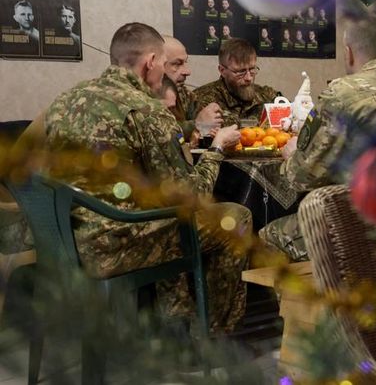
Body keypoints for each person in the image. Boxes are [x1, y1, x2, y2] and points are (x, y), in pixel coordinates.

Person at [42, 22, 251, 334]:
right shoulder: (147, 110)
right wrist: (218, 148)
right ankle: (211, 339)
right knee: (234, 217)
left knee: (165, 214)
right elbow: (191, 195)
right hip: (115, 247)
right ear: (150, 62)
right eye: (165, 64)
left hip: (63, 240)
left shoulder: (66, 99)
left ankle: (175, 327)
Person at [261, 20, 376, 260]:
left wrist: (292, 155)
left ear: (348, 53)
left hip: (358, 226)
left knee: (268, 235)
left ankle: (320, 296)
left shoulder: (342, 93)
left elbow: (302, 177)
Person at [193, 38, 282, 128]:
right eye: (240, 72)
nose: (248, 78)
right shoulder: (201, 100)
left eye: (252, 69)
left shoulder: (267, 96)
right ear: (222, 71)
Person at [162, 35, 223, 139]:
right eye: (177, 64)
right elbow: (159, 134)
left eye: (185, 62)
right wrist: (196, 125)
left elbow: (206, 122)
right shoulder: (139, 97)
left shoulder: (183, 94)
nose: (187, 72)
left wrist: (213, 115)